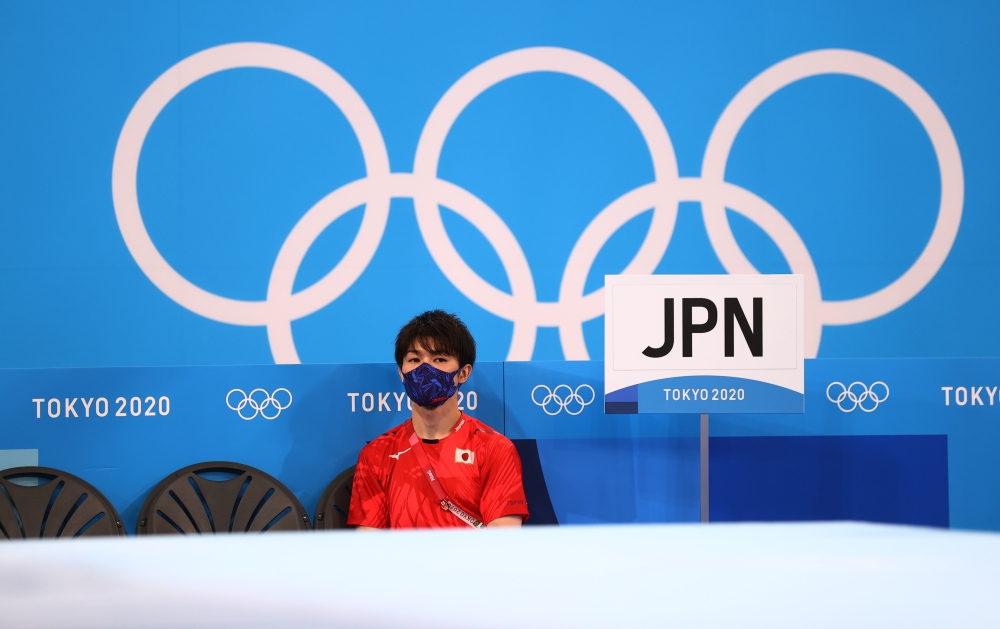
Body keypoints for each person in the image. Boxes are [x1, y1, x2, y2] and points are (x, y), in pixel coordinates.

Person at [347, 310, 529, 529]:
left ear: (463, 373)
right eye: (414, 359)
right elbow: (368, 545)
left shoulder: (494, 449)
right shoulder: (376, 454)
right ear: (402, 373)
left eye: (439, 359)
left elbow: (503, 542)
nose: (425, 369)